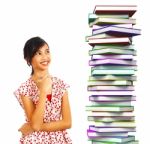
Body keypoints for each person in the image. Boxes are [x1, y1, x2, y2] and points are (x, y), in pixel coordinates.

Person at [14, 36, 72, 144]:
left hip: (59, 140)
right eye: (38, 53)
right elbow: (36, 124)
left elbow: (67, 122)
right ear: (28, 59)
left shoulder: (60, 85)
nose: (45, 57)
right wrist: (44, 91)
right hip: (35, 140)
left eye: (47, 51)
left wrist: (31, 127)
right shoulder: (25, 89)